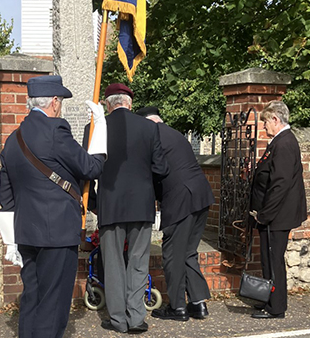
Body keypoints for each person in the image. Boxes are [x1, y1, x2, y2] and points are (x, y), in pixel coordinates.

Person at [0, 75, 106, 338]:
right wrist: (101, 126)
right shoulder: (56, 131)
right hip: (57, 231)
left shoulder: (13, 139)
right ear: (54, 102)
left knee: (32, 297)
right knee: (53, 302)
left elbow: (6, 196)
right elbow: (92, 167)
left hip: (26, 231)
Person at [87, 84, 169, 334]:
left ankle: (118, 318)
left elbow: (86, 170)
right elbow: (161, 168)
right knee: (138, 262)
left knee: (112, 264)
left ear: (107, 104)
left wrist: (94, 205)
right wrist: (152, 194)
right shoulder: (149, 127)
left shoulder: (95, 128)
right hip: (141, 204)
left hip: (110, 205)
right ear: (130, 103)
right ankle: (136, 318)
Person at [136, 106, 215, 322]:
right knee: (188, 252)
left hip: (180, 200)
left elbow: (153, 171)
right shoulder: (174, 133)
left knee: (172, 255)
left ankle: (178, 307)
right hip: (200, 195)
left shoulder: (153, 136)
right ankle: (198, 304)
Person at [249, 100, 307, 319]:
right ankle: (269, 298)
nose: (264, 127)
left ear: (276, 119)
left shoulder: (284, 143)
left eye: (265, 122)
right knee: (268, 258)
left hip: (277, 216)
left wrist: (265, 215)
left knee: (273, 260)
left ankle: (276, 307)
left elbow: (279, 184)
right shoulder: (280, 141)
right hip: (275, 215)